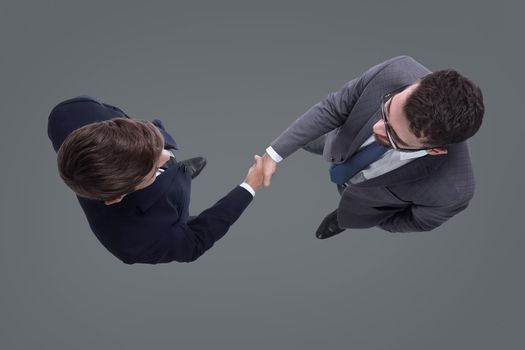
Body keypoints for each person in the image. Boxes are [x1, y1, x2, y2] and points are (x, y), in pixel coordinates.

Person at [260, 55, 484, 239]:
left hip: (363, 203)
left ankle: (342, 218)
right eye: (387, 109)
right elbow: (333, 108)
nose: (376, 127)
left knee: (349, 214)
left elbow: (416, 221)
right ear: (416, 83)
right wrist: (275, 154)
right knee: (309, 139)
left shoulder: (453, 192)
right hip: (341, 143)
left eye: (393, 136)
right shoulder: (395, 73)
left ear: (435, 150)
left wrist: (369, 218)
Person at [48, 96, 264, 264]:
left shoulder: (71, 112)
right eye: (152, 167)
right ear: (116, 197)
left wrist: (142, 141)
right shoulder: (139, 242)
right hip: (162, 216)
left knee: (169, 164)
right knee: (182, 221)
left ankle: (179, 172)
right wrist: (249, 186)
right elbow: (195, 241)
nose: (168, 155)